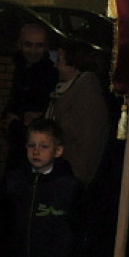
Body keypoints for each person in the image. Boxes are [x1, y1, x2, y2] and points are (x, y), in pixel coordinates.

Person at [3, 117, 84, 257]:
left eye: (44, 146)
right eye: (31, 145)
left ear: (58, 150)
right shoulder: (15, 181)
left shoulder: (70, 187)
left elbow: (81, 230)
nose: (36, 151)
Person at [46, 46, 111, 187]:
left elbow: (88, 144)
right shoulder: (72, 91)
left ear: (74, 66)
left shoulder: (87, 95)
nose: (55, 65)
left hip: (70, 179)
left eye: (60, 60)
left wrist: (75, 181)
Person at [3, 23, 58, 172]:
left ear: (46, 47)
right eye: (28, 45)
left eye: (39, 46)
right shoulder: (17, 68)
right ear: (19, 45)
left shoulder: (51, 74)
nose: (33, 51)